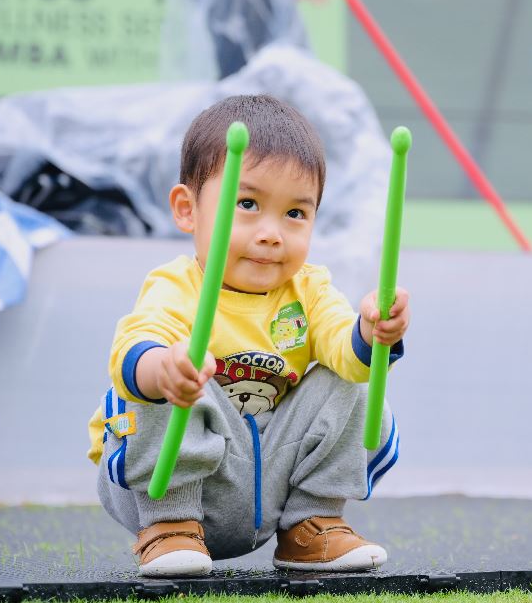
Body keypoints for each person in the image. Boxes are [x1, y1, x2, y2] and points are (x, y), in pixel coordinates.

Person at [85, 94, 409, 577]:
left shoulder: (310, 289)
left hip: (268, 483)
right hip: (159, 489)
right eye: (248, 204)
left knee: (349, 379)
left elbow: (349, 354)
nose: (272, 233)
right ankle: (169, 526)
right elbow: (133, 347)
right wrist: (162, 370)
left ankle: (312, 522)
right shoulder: (177, 286)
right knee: (165, 369)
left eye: (295, 214)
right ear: (187, 209)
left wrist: (371, 330)